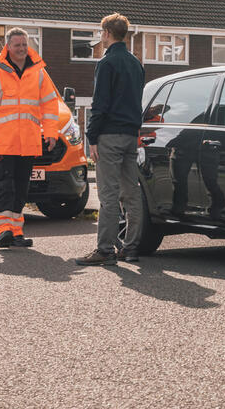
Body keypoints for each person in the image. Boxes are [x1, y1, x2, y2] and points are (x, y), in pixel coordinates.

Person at [0, 27, 59, 248]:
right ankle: (3, 231)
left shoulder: (39, 72)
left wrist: (50, 133)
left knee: (22, 188)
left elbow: (49, 104)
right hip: (2, 141)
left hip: (28, 142)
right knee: (4, 187)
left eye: (24, 45)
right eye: (16, 45)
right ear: (8, 47)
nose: (21, 49)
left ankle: (17, 232)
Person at [76, 13, 145, 265]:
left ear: (107, 33)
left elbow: (100, 104)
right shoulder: (136, 63)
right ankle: (131, 248)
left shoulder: (106, 63)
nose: (100, 37)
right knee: (131, 193)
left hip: (109, 135)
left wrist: (92, 136)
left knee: (108, 194)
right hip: (130, 135)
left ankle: (104, 250)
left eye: (101, 32)